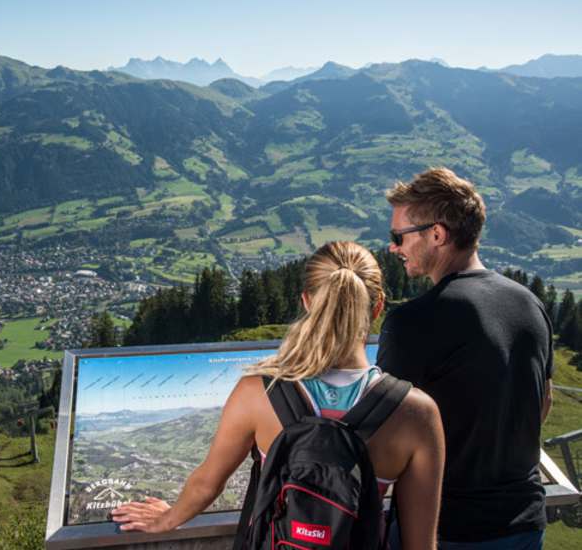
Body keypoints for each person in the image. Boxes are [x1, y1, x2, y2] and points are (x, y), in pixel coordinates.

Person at [112, 241, 445, 549]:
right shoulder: (416, 413)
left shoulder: (259, 392)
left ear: (306, 301)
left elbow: (206, 485)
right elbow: (420, 544)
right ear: (378, 308)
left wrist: (165, 519)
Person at [377, 168, 553, 549]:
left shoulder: (412, 322)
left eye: (399, 237)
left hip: (443, 528)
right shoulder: (530, 304)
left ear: (437, 235)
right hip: (523, 522)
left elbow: (383, 436)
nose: (394, 248)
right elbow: (543, 402)